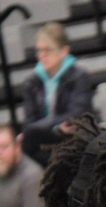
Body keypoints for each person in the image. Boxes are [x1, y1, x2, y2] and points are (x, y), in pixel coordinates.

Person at [21, 22, 96, 167]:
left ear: (64, 51)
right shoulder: (31, 82)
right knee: (25, 141)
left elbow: (78, 113)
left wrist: (53, 128)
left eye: (47, 50)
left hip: (73, 134)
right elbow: (29, 121)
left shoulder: (80, 76)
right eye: (39, 51)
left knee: (30, 137)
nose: (41, 56)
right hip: (44, 137)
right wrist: (51, 128)